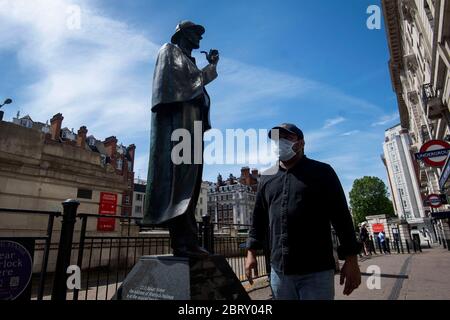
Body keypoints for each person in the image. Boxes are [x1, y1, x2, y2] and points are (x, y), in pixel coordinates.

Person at [245, 123, 362, 300]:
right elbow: (258, 219)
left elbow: (342, 218)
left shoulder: (323, 172)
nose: (280, 142)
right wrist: (251, 253)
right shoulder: (267, 178)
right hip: (279, 271)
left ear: (301, 143)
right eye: (277, 139)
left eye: (287, 137)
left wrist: (351, 260)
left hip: (316, 270)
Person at [142, 21, 220, 257]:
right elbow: (182, 86)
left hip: (191, 124)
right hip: (178, 125)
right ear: (183, 34)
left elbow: (193, 83)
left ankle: (188, 239)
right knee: (180, 180)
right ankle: (182, 242)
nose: (199, 38)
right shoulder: (169, 51)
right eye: (196, 33)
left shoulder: (187, 59)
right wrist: (208, 70)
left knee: (191, 181)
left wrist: (210, 66)